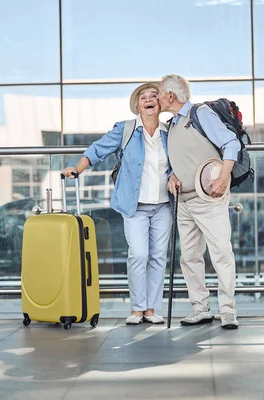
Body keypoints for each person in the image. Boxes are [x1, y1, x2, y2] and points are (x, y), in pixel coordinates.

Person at [62, 82, 172, 325]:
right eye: (144, 97)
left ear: (161, 103)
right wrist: (77, 169)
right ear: (137, 105)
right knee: (138, 254)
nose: (149, 99)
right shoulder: (126, 129)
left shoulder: (169, 131)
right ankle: (137, 308)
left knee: (158, 257)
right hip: (135, 205)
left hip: (164, 205)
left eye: (154, 95)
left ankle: (152, 309)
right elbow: (97, 149)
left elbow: (180, 162)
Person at [158, 74, 240, 329]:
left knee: (221, 254)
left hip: (210, 197)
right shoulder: (171, 125)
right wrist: (172, 176)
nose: (157, 97)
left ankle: (227, 311)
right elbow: (177, 160)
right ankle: (200, 308)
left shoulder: (200, 114)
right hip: (183, 201)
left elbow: (231, 143)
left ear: (170, 95)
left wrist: (224, 176)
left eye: (159, 93)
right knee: (190, 257)